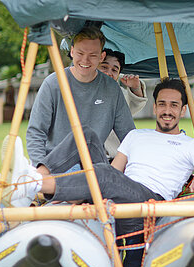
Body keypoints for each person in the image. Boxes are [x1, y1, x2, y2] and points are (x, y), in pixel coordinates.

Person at [0, 78, 194, 267]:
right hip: (121, 194)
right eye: (162, 103)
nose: (167, 110)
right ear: (154, 107)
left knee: (102, 174)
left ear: (182, 110)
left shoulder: (191, 144)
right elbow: (113, 173)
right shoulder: (136, 135)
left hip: (151, 204)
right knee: (86, 134)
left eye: (174, 105)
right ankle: (33, 179)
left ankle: (31, 185)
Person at [26, 26, 135, 167]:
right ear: (72, 52)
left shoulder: (112, 89)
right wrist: (40, 167)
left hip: (94, 164)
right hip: (56, 164)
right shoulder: (53, 83)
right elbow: (36, 132)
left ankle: (29, 179)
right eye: (80, 53)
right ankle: (33, 179)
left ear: (101, 57)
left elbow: (129, 136)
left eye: (93, 55)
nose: (85, 60)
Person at [97, 48, 149, 160]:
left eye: (114, 70)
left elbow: (135, 104)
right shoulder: (81, 90)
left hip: (114, 158)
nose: (109, 73)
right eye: (104, 67)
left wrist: (135, 87)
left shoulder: (120, 94)